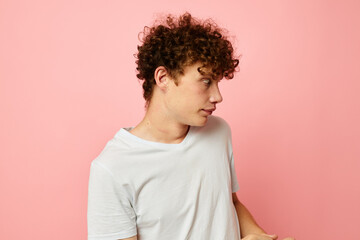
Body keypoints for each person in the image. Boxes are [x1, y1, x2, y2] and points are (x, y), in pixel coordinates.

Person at [87, 12, 295, 240]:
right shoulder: (111, 169)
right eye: (206, 82)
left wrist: (260, 236)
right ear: (163, 78)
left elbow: (230, 203)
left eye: (217, 82)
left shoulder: (219, 132)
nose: (217, 96)